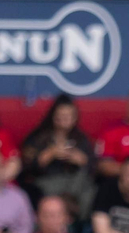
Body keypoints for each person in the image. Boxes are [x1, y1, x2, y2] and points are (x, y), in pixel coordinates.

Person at [18, 94, 95, 223]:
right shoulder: (38, 137)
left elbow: (93, 166)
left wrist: (81, 160)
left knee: (89, 191)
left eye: (69, 116)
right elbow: (26, 167)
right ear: (53, 116)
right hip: (47, 183)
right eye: (61, 115)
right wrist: (50, 154)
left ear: (75, 117)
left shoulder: (81, 139)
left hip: (75, 185)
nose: (65, 119)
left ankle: (79, 225)